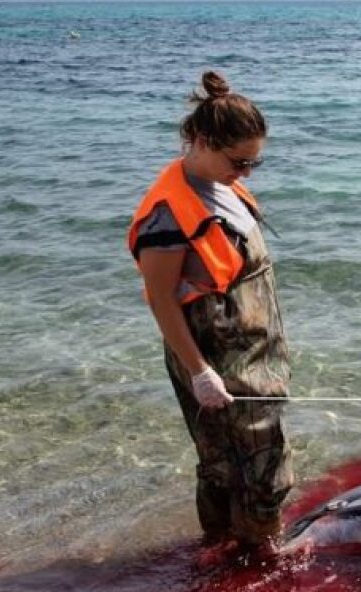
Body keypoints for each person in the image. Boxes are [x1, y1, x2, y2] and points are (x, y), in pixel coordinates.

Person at [127, 71, 293, 552]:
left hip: (256, 354)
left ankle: (241, 547)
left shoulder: (225, 187)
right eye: (239, 162)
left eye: (253, 165)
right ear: (201, 142)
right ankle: (248, 551)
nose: (245, 174)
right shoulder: (167, 215)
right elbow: (161, 299)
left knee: (254, 456)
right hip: (214, 358)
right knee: (236, 463)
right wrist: (200, 373)